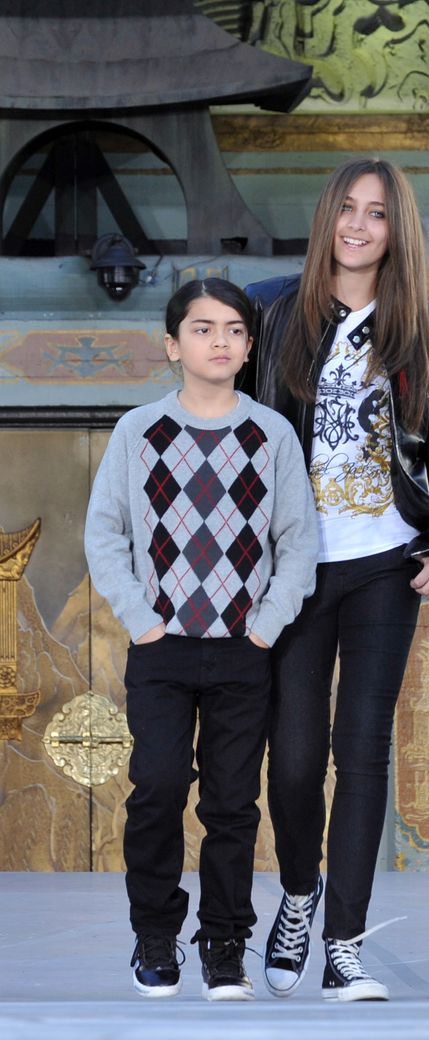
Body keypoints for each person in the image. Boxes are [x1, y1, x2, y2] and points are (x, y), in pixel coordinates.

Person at [245, 157, 429, 1002]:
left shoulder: (423, 329)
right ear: (326, 217)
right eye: (346, 208)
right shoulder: (277, 316)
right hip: (297, 567)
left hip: (384, 563)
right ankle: (298, 893)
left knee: (361, 750)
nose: (358, 225)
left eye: (376, 213)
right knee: (295, 759)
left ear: (394, 228)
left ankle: (344, 943)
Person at [84, 279, 318, 1001]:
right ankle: (155, 933)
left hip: (242, 652)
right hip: (162, 650)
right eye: (201, 328)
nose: (219, 341)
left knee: (231, 803)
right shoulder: (140, 433)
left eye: (234, 330)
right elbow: (105, 533)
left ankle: (224, 943)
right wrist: (142, 620)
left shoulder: (270, 434)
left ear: (249, 348)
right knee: (155, 786)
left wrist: (263, 629)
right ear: (171, 343)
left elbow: (297, 542)